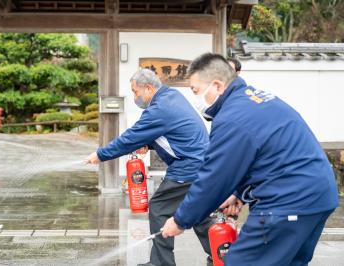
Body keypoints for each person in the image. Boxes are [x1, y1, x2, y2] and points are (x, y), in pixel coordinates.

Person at [161, 53, 339, 265]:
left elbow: (214, 178)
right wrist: (239, 194)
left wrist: (181, 220)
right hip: (318, 195)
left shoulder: (232, 118)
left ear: (217, 85)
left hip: (290, 201)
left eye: (196, 91)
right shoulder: (255, 99)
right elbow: (265, 156)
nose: (196, 100)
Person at [86, 69, 213, 266]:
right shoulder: (171, 96)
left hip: (188, 166)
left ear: (148, 88)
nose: (135, 97)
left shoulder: (160, 109)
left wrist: (100, 155)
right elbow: (174, 133)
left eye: (136, 92)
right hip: (200, 163)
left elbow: (130, 137)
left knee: (159, 208)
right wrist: (151, 144)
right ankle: (221, 255)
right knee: (198, 212)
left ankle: (161, 263)